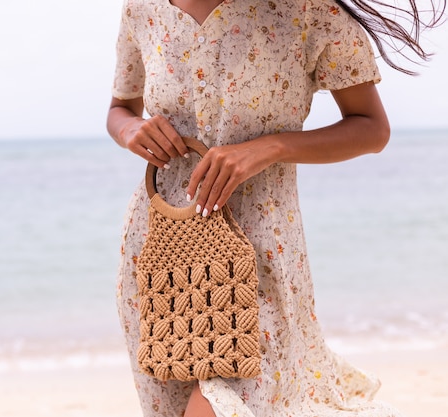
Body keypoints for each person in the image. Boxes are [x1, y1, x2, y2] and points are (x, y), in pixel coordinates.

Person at [106, 0, 445, 416]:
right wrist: (132, 131)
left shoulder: (306, 11)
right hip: (160, 254)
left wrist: (270, 148)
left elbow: (372, 128)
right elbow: (120, 109)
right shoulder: (142, 9)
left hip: (262, 255)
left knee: (222, 405)